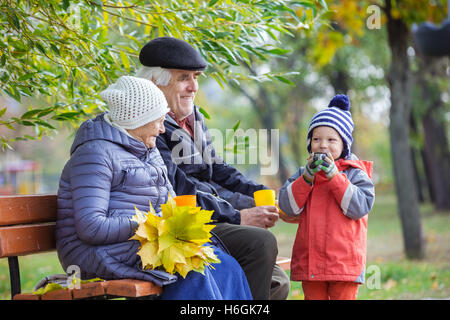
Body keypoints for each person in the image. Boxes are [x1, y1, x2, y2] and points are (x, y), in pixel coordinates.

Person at [55, 75, 252, 300]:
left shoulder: (148, 150)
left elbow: (168, 200)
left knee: (224, 264)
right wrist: (150, 224)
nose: (162, 130)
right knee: (191, 271)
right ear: (137, 119)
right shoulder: (94, 154)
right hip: (93, 252)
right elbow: (90, 227)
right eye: (158, 121)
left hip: (140, 243)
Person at [136, 37, 290, 300]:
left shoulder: (192, 117)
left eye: (196, 77)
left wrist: (259, 194)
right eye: (184, 77)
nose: (193, 86)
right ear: (155, 82)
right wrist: (239, 214)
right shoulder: (149, 126)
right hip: (183, 223)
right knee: (261, 246)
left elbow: (217, 170)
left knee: (278, 282)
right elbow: (181, 187)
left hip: (209, 216)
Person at [277, 94, 375, 300]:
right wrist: (306, 178)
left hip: (343, 264)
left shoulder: (355, 173)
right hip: (312, 263)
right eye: (316, 139)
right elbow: (288, 206)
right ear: (309, 143)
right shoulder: (304, 173)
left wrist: (334, 177)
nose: (323, 145)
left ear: (344, 145)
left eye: (331, 140)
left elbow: (360, 207)